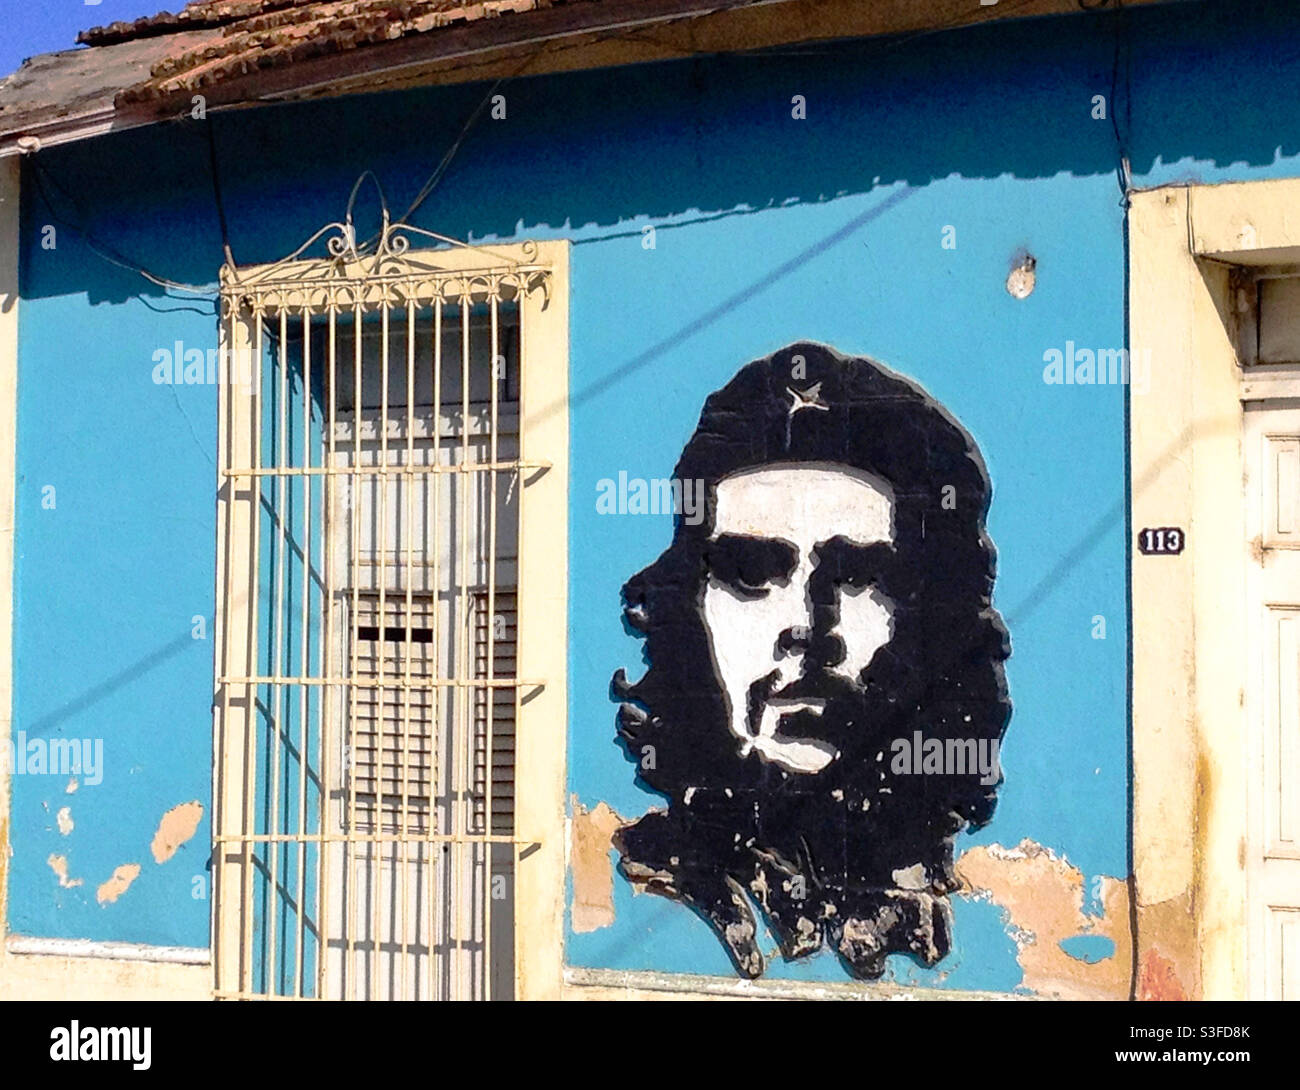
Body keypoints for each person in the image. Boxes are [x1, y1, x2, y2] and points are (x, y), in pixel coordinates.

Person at [611, 341, 1012, 979]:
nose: (807, 627)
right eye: (750, 573)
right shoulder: (664, 873)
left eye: (858, 577)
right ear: (689, 608)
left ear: (932, 611)